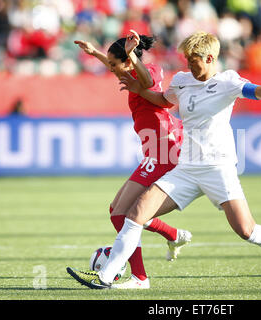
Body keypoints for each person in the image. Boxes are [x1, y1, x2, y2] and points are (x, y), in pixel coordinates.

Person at [67, 31, 261, 289]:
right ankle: (106, 278)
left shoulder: (229, 82)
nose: (190, 68)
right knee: (136, 214)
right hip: (185, 168)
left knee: (246, 230)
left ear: (210, 59)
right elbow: (162, 100)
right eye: (187, 62)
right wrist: (139, 88)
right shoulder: (182, 80)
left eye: (194, 62)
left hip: (218, 169)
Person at [71, 30, 192, 289]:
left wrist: (129, 57)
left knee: (121, 212)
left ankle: (140, 277)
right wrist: (96, 54)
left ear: (128, 60)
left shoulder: (148, 71)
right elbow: (125, 69)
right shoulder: (130, 71)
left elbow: (147, 82)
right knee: (120, 211)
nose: (113, 70)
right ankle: (173, 235)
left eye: (116, 65)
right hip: (155, 152)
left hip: (166, 149)